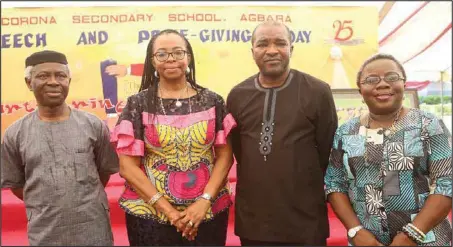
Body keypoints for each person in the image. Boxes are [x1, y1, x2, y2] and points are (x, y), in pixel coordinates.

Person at [110, 29, 236, 246]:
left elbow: (225, 156)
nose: (170, 59)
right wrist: (168, 211)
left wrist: (204, 202)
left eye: (178, 52)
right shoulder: (137, 104)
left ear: (188, 57)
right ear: (152, 61)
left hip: (206, 213)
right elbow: (127, 167)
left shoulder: (212, 101)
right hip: (149, 214)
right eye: (162, 54)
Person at [226, 21, 338, 246]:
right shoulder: (237, 95)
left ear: (291, 49)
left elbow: (329, 150)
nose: (271, 50)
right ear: (253, 51)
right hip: (254, 218)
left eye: (280, 43)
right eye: (262, 44)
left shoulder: (317, 91)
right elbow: (240, 150)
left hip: (305, 218)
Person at [325, 53, 452, 246]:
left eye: (392, 77)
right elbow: (334, 185)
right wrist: (356, 231)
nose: (382, 84)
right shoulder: (345, 132)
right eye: (371, 80)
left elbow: (446, 183)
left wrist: (412, 235)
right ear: (360, 89)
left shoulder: (428, 125)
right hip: (366, 242)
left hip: (427, 240)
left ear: (405, 84)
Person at [0, 50, 119, 245]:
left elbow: (103, 173)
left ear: (69, 82)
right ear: (29, 83)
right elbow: (16, 185)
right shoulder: (15, 133)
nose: (54, 82)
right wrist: (46, 200)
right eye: (43, 76)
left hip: (93, 228)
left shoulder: (93, 125)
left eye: (61, 76)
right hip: (44, 231)